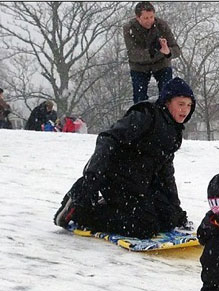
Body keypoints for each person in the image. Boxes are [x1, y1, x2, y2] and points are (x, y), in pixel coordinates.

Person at [54, 77, 196, 238]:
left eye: (189, 105)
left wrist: (175, 208)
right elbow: (108, 139)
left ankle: (111, 207)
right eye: (181, 104)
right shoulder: (146, 115)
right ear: (167, 102)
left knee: (169, 219)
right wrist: (92, 176)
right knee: (145, 226)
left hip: (140, 182)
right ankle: (82, 213)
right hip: (116, 178)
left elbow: (165, 172)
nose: (185, 110)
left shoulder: (173, 131)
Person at [123, 1, 181, 104]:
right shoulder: (129, 28)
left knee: (167, 94)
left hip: (161, 63)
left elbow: (177, 49)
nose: (149, 21)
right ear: (137, 17)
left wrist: (168, 52)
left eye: (151, 17)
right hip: (139, 66)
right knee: (139, 98)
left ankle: (165, 116)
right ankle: (141, 117)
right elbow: (132, 54)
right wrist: (150, 52)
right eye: (146, 18)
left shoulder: (161, 25)